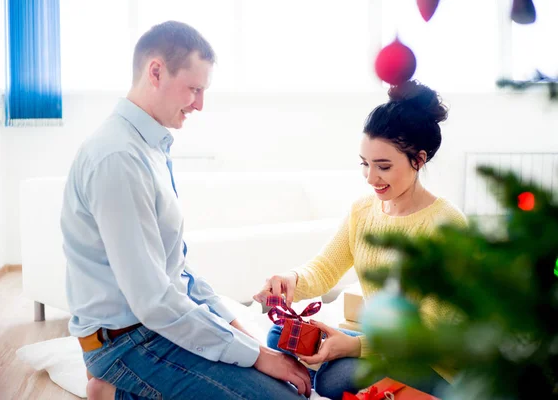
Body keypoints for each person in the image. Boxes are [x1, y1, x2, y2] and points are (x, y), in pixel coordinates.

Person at [61, 21, 312, 400]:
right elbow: (154, 302)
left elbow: (177, 270)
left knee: (275, 375)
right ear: (156, 72)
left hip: (152, 325)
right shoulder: (118, 159)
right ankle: (117, 390)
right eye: (194, 89)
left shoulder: (151, 147)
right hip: (127, 342)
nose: (199, 104)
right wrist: (255, 356)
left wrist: (243, 336)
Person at [254, 80, 467, 400]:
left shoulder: (445, 225)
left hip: (430, 361)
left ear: (418, 160)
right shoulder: (364, 210)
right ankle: (331, 367)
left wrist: (353, 346)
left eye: (383, 166)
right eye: (365, 164)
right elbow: (325, 268)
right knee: (279, 334)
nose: (371, 178)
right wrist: (291, 281)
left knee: (335, 377)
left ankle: (327, 371)